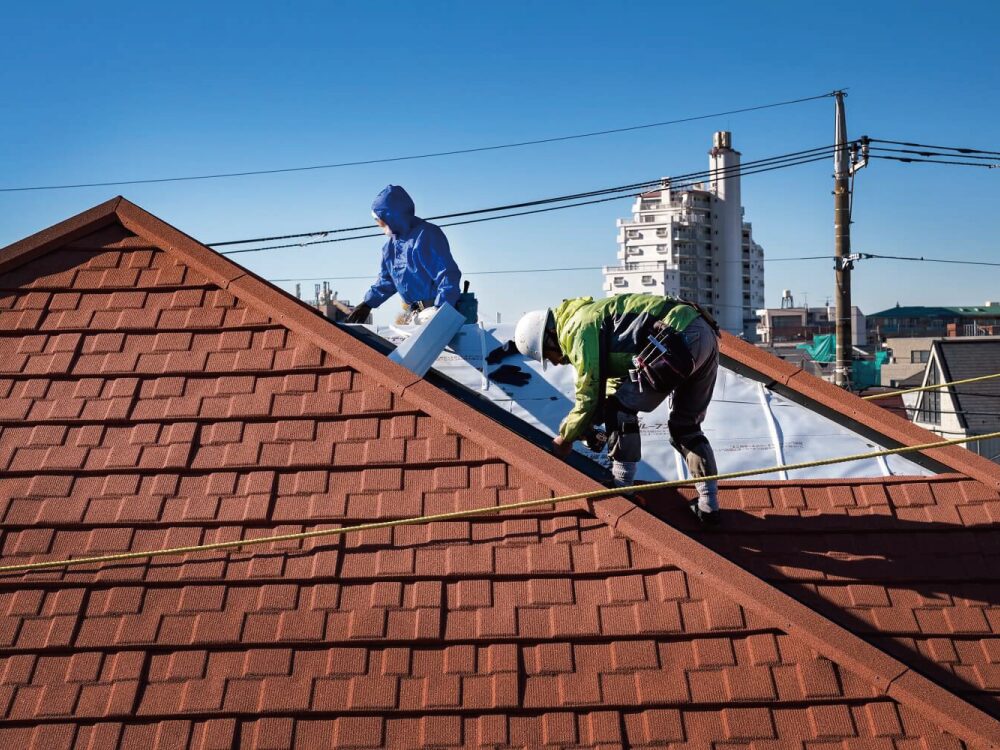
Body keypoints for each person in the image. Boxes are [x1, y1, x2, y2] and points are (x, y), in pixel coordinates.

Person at [513, 293, 721, 524]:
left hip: (678, 338)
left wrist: (565, 438)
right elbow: (615, 379)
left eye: (548, 355)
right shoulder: (592, 316)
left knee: (620, 410)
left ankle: (623, 487)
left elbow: (588, 393)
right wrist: (593, 421)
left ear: (550, 337)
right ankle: (709, 505)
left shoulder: (577, 328)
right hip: (703, 335)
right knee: (686, 427)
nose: (554, 362)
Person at [345, 185, 462, 325]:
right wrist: (368, 303)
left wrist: (441, 310)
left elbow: (447, 274)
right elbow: (387, 281)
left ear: (390, 216)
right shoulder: (390, 248)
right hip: (415, 315)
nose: (377, 223)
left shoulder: (426, 235)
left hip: (434, 312)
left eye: (379, 218)